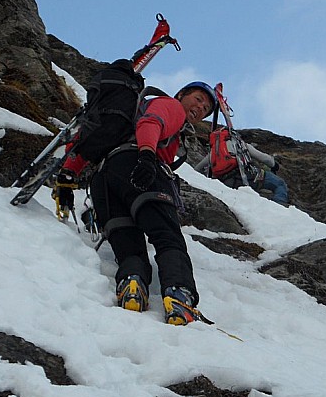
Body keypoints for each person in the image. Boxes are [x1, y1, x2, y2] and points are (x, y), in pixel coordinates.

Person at [55, 81, 217, 325]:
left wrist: (68, 177)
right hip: (141, 169)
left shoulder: (127, 118)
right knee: (167, 237)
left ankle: (133, 283)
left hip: (104, 181)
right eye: (198, 99)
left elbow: (91, 144)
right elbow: (151, 123)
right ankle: (179, 294)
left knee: (129, 244)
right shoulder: (170, 105)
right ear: (181, 94)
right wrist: (147, 156)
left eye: (205, 109)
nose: (200, 108)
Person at [195, 132, 289, 206]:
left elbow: (197, 168)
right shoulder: (241, 144)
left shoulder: (214, 153)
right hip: (250, 177)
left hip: (228, 183)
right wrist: (274, 165)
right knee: (279, 184)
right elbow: (265, 158)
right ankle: (279, 206)